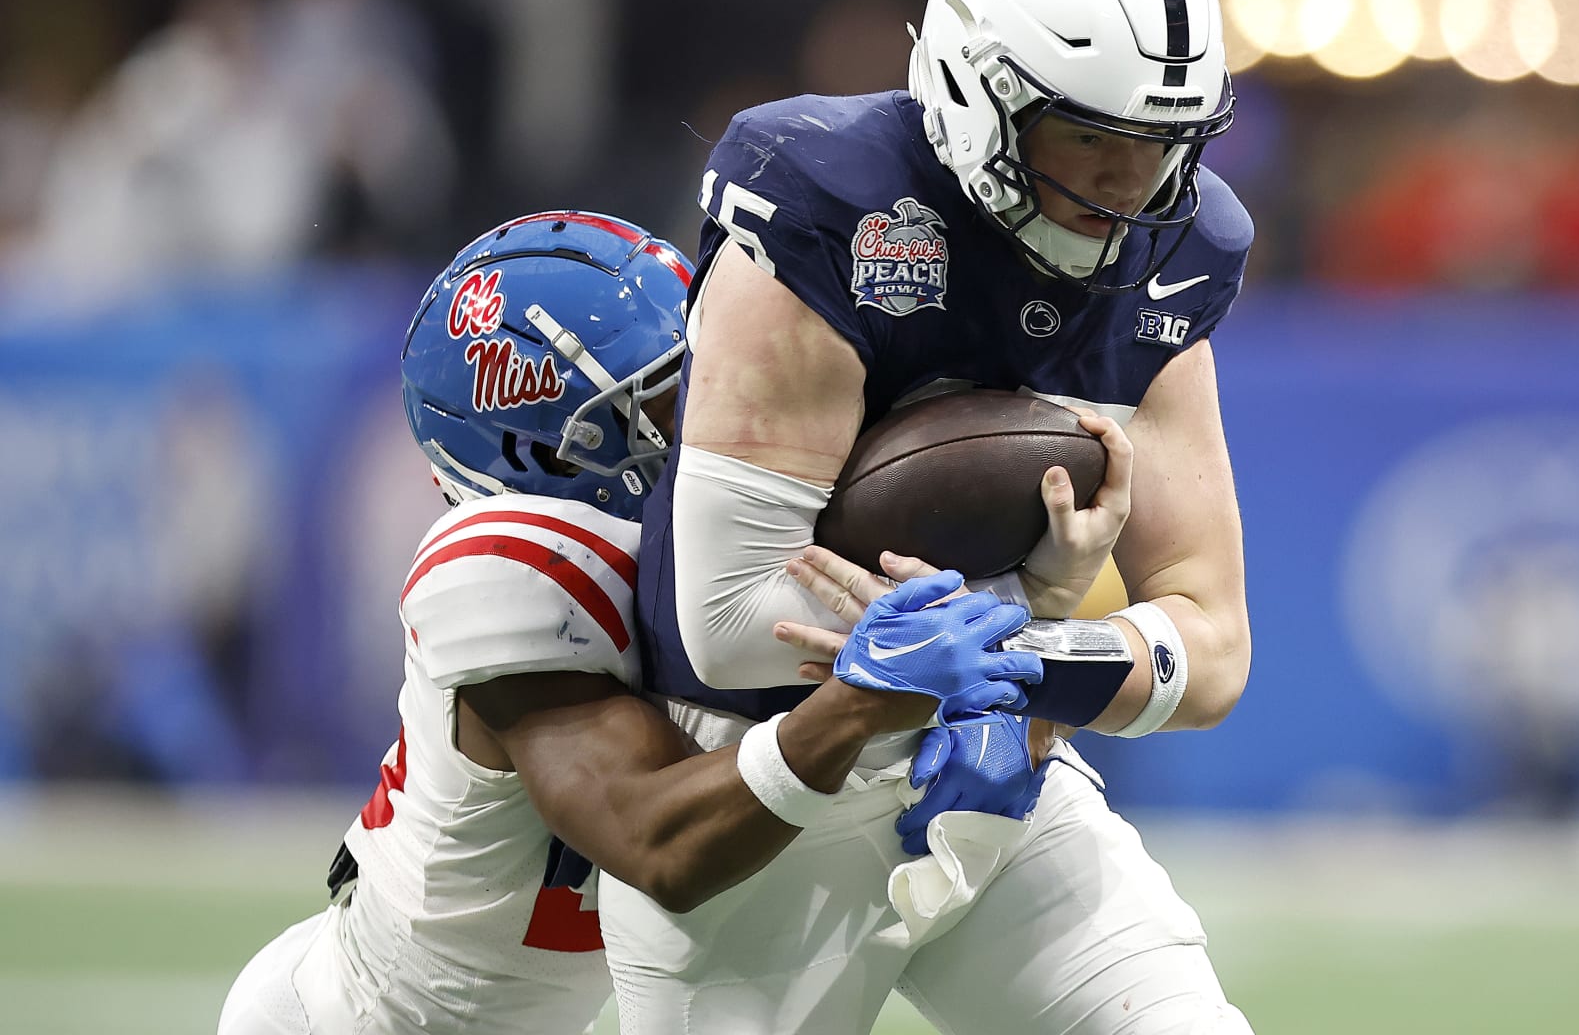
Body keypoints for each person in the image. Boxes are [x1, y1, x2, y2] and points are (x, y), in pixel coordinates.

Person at [616, 0, 1257, 1034]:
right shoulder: (829, 200)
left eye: (1166, 141)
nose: (1136, 182)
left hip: (994, 758)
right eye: (1098, 134)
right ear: (976, 92)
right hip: (760, 777)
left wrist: (1024, 650)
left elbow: (1212, 647)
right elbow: (726, 618)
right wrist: (1011, 617)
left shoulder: (1178, 252)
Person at [216, 211, 1046, 1035]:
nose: (715, 419)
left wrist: (1037, 597)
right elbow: (657, 842)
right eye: (668, 399)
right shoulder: (505, 563)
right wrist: (861, 704)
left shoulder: (713, 549)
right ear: (541, 448)